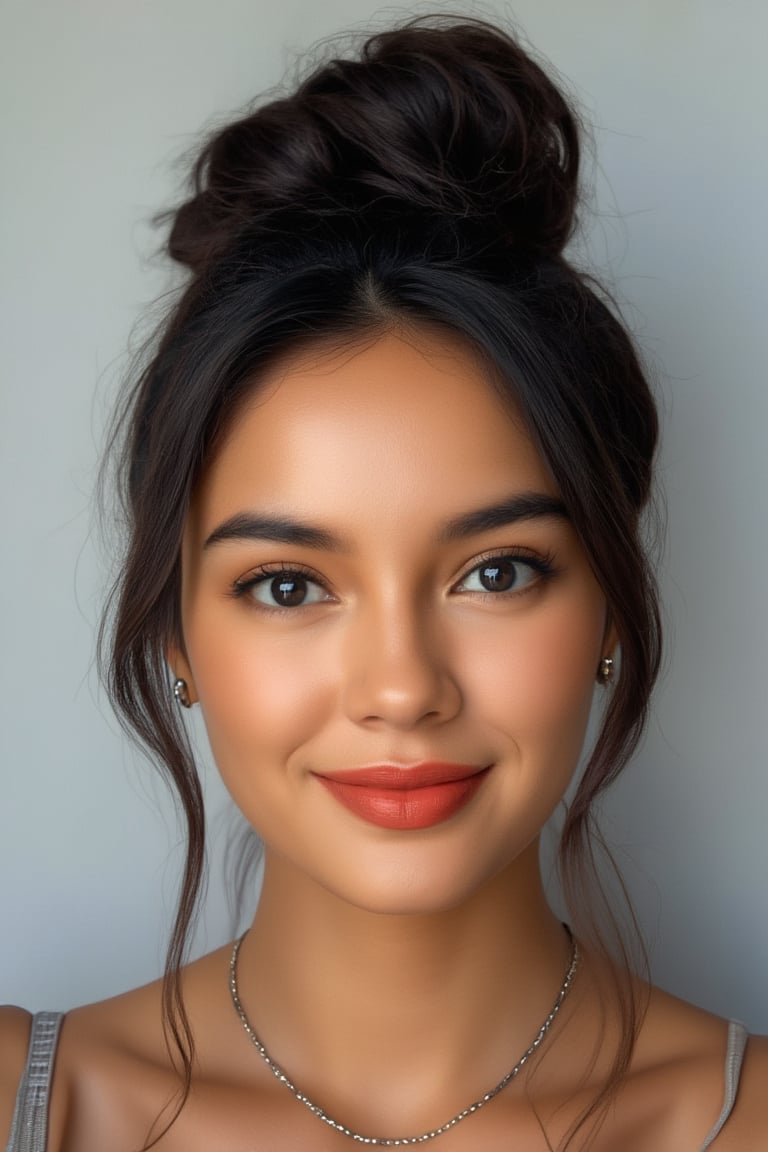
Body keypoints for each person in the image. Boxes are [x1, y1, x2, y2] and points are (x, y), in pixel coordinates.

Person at [1, 15, 765, 1151]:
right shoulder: (32, 1104)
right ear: (173, 633)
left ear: (608, 599)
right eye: (288, 586)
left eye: (496, 572)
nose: (402, 690)